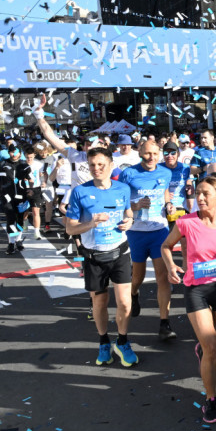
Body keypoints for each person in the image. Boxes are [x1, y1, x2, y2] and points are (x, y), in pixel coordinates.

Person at [161, 176, 216, 423]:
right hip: (195, 289)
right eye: (198, 193)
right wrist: (170, 266)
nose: (200, 198)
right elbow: (166, 246)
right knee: (212, 347)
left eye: (206, 193)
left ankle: (203, 349)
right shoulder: (187, 221)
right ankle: (211, 400)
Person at [65, 147, 137, 366]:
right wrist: (91, 223)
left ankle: (122, 342)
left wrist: (130, 221)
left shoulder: (123, 188)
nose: (96, 169)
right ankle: (104, 341)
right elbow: (70, 229)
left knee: (125, 302)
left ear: (111, 165)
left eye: (101, 165)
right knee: (101, 302)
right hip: (94, 257)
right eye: (92, 165)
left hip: (120, 252)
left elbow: (128, 212)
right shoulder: (80, 192)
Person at [118, 141, 176, 341]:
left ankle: (164, 323)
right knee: (138, 276)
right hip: (136, 232)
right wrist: (135, 205)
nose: (151, 157)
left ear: (159, 153)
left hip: (159, 230)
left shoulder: (165, 173)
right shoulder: (129, 174)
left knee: (163, 276)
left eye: (154, 153)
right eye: (147, 154)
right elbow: (121, 200)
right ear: (140, 153)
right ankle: (134, 293)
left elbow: (165, 190)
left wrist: (168, 204)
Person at [0, 143, 31, 254]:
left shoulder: (24, 165)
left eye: (16, 152)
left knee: (20, 218)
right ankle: (11, 243)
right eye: (12, 152)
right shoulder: (2, 163)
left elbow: (31, 179)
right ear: (9, 152)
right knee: (10, 218)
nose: (14, 154)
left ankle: (18, 241)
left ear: (20, 153)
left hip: (21, 196)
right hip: (6, 196)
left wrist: (32, 188)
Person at [162, 142, 193, 227]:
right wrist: (163, 194)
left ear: (178, 154)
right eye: (166, 153)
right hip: (163, 210)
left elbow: (189, 182)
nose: (169, 156)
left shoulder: (185, 168)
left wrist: (189, 185)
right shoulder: (158, 168)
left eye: (173, 153)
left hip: (181, 208)